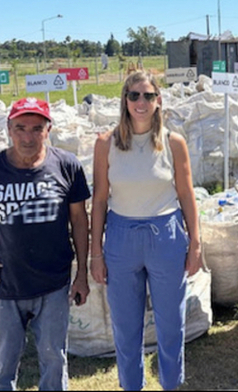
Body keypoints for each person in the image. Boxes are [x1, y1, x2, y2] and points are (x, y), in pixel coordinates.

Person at [0, 97, 91, 391]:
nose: (28, 137)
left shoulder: (67, 166)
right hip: (7, 284)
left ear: (48, 129)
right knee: (3, 363)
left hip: (54, 284)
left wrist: (81, 274)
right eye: (20, 128)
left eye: (36, 128)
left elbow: (79, 221)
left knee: (54, 360)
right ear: (8, 129)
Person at [90, 71, 202, 391]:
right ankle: (131, 386)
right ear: (124, 100)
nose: (141, 102)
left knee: (170, 326)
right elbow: (99, 200)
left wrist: (195, 243)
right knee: (126, 329)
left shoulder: (172, 142)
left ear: (158, 101)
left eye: (148, 96)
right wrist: (96, 253)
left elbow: (186, 194)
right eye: (134, 95)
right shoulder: (105, 144)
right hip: (121, 238)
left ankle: (171, 384)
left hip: (165, 236)